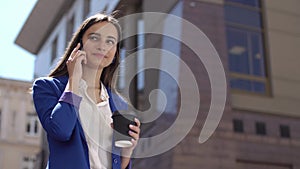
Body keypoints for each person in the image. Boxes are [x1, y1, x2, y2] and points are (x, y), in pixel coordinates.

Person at [32, 12, 140, 169]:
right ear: (79, 44)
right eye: (95, 38)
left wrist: (127, 153)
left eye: (110, 41)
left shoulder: (119, 105)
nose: (102, 46)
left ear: (115, 52)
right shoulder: (48, 88)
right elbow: (61, 130)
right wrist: (74, 80)